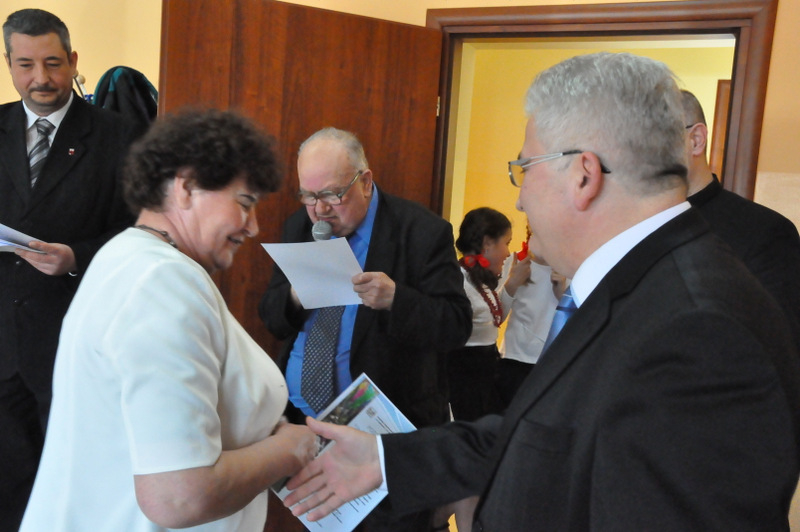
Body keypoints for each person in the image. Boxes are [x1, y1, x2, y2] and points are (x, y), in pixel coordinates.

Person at [282, 52, 800, 530]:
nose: (521, 200)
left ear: (584, 175)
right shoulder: (643, 280)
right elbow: (544, 431)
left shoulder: (698, 329)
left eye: (523, 169)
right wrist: (385, 459)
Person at [19, 109, 317, 531]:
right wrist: (290, 450)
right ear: (187, 187)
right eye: (245, 203)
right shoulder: (161, 281)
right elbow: (178, 497)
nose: (253, 227)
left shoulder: (129, 257)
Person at [259, 126, 472, 531]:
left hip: (384, 438)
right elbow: (271, 317)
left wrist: (397, 300)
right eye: (308, 196)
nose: (319, 210)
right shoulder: (299, 227)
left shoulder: (422, 232)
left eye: (331, 194)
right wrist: (295, 296)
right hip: (306, 432)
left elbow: (455, 325)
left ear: (365, 181)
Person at [0, 9, 137, 529]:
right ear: (9, 64)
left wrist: (76, 256)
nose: (41, 78)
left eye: (53, 64)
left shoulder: (120, 136)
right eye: (26, 65)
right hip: (4, 346)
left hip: (76, 344)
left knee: (76, 491)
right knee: (9, 491)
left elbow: (143, 234)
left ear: (74, 60)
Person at [682, 89, 800, 357]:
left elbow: (781, 349)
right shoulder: (626, 224)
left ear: (696, 140)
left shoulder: (766, 232)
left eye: (653, 138)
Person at [495, 227, 567, 410]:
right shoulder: (514, 262)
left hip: (553, 362)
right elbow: (496, 317)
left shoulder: (569, 268)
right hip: (513, 358)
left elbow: (581, 322)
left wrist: (562, 294)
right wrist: (512, 283)